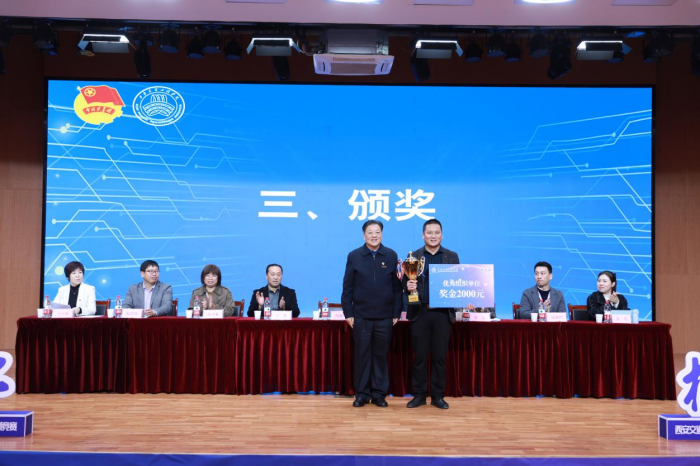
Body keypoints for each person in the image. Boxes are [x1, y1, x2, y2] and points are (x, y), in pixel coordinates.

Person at [341, 220, 402, 408]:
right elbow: (347, 287)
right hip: (361, 316)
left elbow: (397, 287)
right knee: (362, 357)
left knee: (381, 357)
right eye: (370, 232)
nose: (374, 235)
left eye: (377, 232)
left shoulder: (391, 255)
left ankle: (378, 394)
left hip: (385, 316)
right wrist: (348, 312)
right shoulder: (354, 256)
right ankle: (361, 394)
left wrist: (396, 311)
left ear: (382, 234)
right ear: (364, 235)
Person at [403, 219, 459, 410]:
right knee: (419, 357)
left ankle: (437, 396)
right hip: (420, 312)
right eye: (429, 232)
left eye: (436, 232)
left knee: (439, 357)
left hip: (443, 314)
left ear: (442, 235)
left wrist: (465, 298)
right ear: (423, 235)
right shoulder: (413, 256)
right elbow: (403, 283)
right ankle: (419, 395)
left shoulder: (451, 256)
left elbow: (458, 283)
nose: (433, 236)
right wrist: (407, 285)